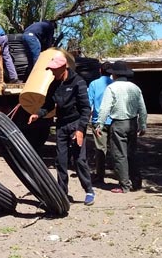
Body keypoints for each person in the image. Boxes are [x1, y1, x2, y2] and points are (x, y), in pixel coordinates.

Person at [28, 52, 95, 206]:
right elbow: (48, 105)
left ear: (64, 68)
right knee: (61, 161)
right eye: (51, 69)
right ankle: (62, 192)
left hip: (76, 124)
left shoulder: (78, 82)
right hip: (61, 126)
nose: (52, 72)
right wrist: (38, 114)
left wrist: (80, 130)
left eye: (54, 69)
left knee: (79, 160)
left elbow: (86, 109)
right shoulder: (54, 84)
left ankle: (89, 190)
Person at [95, 61, 147, 193]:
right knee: (132, 153)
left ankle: (124, 185)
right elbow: (142, 108)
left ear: (115, 75)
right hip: (132, 123)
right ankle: (136, 182)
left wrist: (100, 123)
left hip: (118, 123)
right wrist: (143, 124)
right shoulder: (135, 88)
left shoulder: (112, 88)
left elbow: (105, 107)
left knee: (119, 155)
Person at [87, 61, 113, 183]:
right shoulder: (115, 84)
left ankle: (100, 175)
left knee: (100, 149)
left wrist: (85, 119)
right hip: (114, 120)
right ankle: (118, 173)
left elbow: (89, 103)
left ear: (100, 71)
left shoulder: (94, 84)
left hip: (98, 121)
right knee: (116, 148)